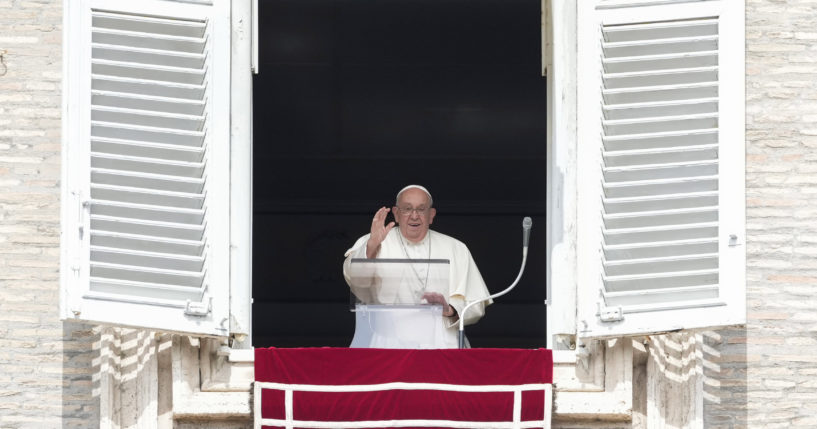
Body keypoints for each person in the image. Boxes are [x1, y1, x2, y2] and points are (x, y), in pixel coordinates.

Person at [343, 184, 491, 348]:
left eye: (421, 209)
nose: (414, 216)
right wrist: (371, 247)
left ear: (431, 215)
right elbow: (354, 279)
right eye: (407, 209)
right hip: (388, 343)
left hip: (442, 343)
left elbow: (476, 304)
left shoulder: (456, 248)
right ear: (396, 214)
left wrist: (450, 310)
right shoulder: (374, 241)